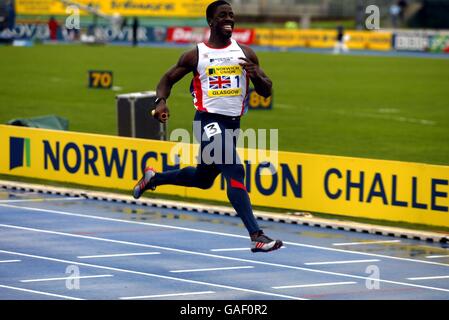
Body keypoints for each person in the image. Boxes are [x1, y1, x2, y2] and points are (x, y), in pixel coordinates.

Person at [133, 0, 283, 253]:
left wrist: (257, 75)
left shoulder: (245, 53)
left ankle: (154, 178)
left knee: (204, 179)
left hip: (232, 125)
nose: (229, 19)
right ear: (211, 21)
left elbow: (266, 91)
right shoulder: (196, 55)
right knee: (234, 168)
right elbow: (167, 79)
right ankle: (256, 235)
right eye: (223, 15)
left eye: (232, 15)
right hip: (207, 121)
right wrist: (160, 102)